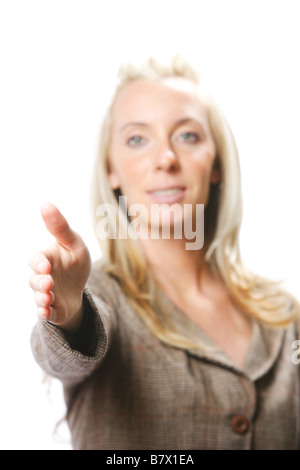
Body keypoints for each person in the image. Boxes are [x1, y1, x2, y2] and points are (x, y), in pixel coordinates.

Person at [29, 55, 300, 450]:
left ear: (216, 163)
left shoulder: (283, 316)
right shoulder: (103, 296)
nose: (166, 159)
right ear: (112, 171)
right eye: (138, 139)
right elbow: (65, 354)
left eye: (187, 135)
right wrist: (68, 313)